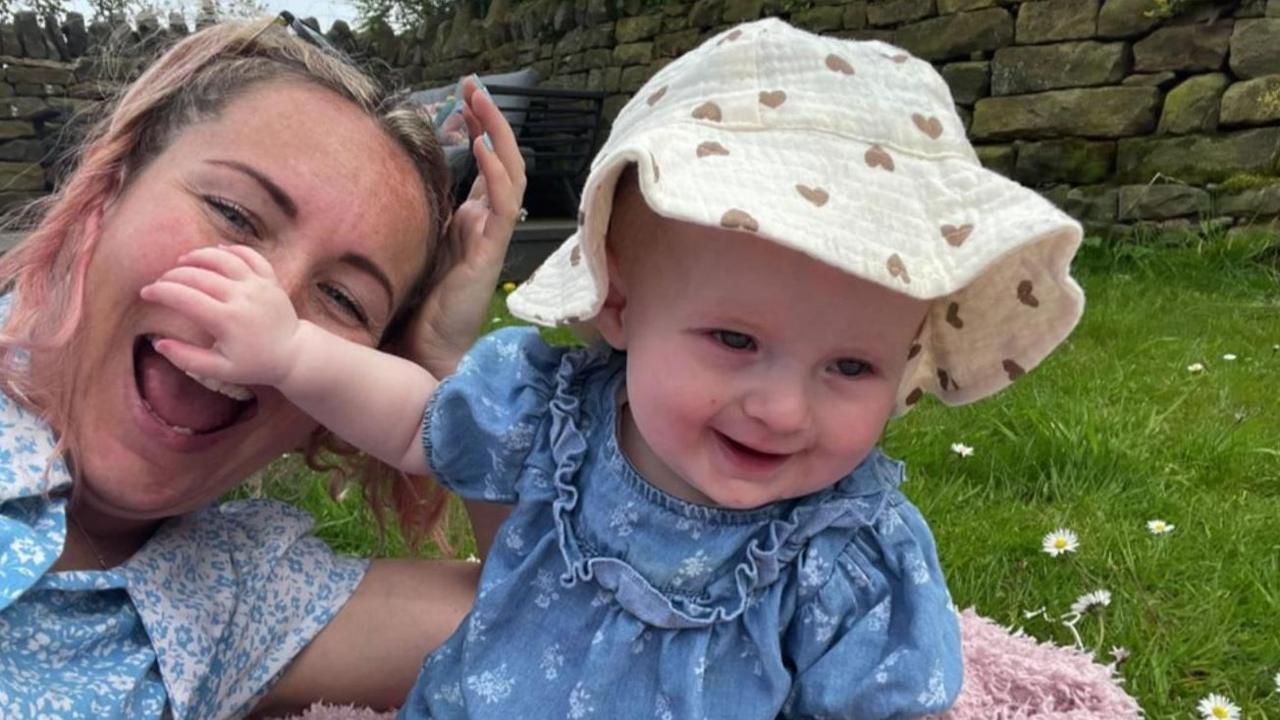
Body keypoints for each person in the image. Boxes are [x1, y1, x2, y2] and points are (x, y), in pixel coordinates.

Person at [143, 18, 1086, 719]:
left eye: (851, 365)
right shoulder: (551, 415)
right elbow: (411, 422)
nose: (783, 407)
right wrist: (293, 351)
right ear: (622, 307)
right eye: (734, 341)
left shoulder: (843, 550)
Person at [0, 16, 525, 720]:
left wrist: (449, 374)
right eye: (234, 214)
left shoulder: (246, 596)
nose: (267, 308)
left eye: (343, 299)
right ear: (107, 193)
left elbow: (546, 615)